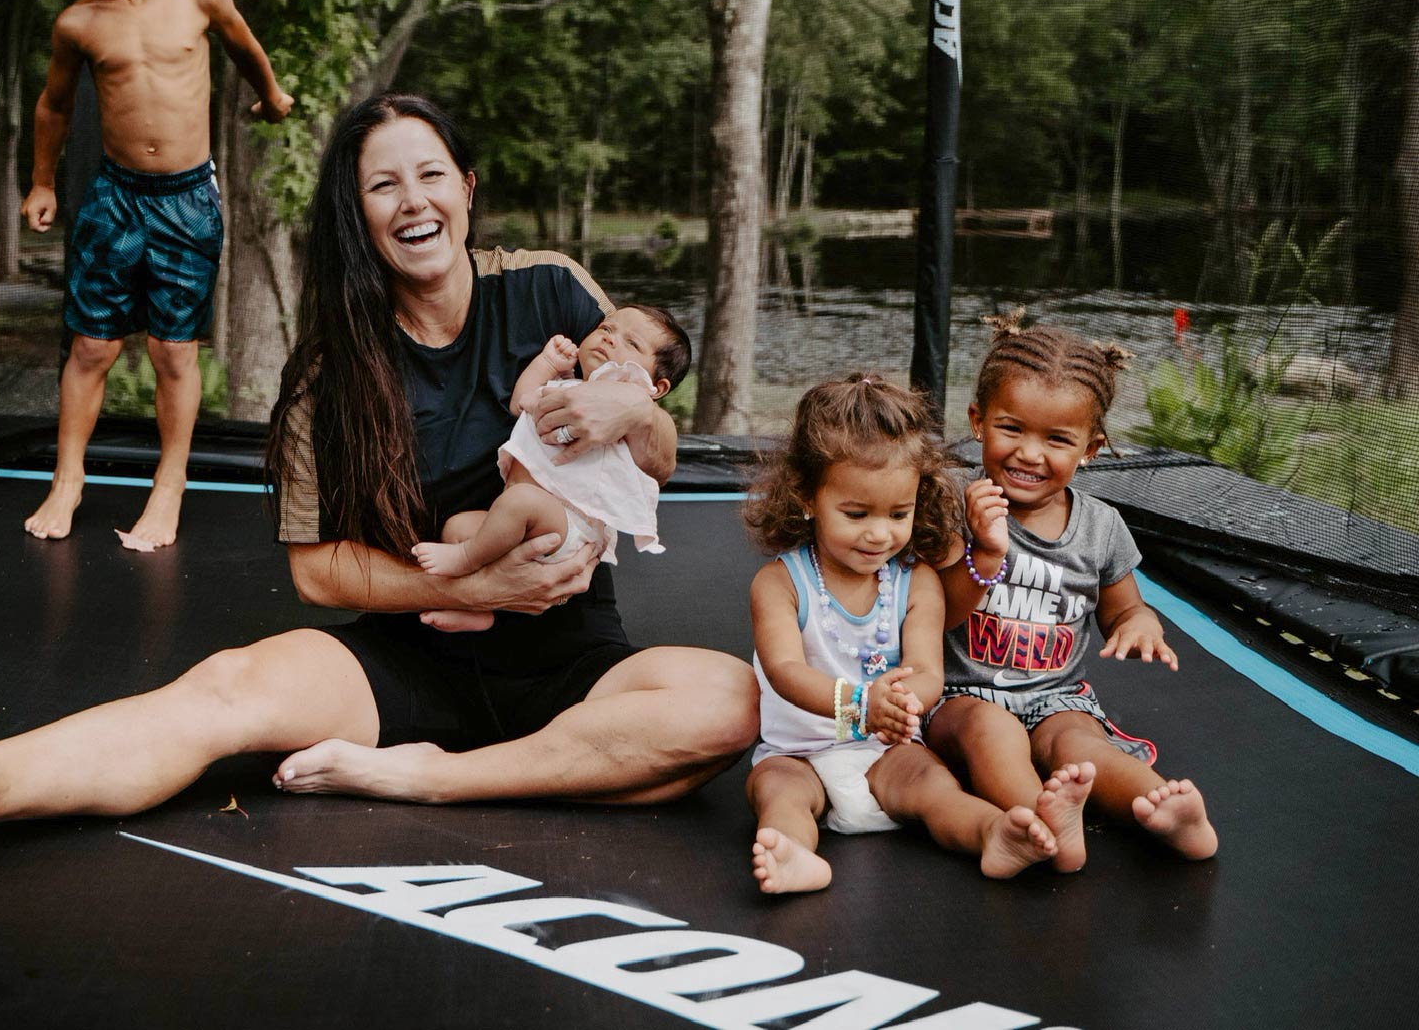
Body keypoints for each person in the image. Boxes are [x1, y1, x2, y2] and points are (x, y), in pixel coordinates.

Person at [0, 93, 756, 865]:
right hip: (409, 659)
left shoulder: (554, 290)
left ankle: (434, 777)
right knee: (227, 688)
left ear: (467, 189)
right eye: (383, 185)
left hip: (575, 660)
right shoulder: (329, 372)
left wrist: (638, 413)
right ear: (358, 216)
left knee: (728, 703)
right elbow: (318, 575)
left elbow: (653, 451)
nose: (413, 201)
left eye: (431, 174)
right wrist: (475, 583)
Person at [18, 0, 294, 548]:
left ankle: (168, 487)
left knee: (173, 352)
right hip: (115, 200)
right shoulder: (78, 23)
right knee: (92, 348)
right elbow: (53, 106)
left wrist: (271, 94)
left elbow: (245, 46)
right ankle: (68, 478)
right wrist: (43, 181)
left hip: (186, 202)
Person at [743, 374, 1061, 895]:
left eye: (899, 514)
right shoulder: (781, 583)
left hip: (884, 748)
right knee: (776, 792)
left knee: (934, 786)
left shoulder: (916, 583)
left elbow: (928, 671)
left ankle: (993, 834)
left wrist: (899, 704)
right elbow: (784, 670)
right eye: (856, 513)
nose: (879, 533)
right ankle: (795, 855)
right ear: (807, 496)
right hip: (797, 752)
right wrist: (861, 703)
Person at [927, 310, 1219, 871]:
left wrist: (1139, 624)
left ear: (1090, 447)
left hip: (1057, 696)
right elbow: (936, 614)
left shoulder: (1101, 526)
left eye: (1057, 439)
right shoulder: (954, 506)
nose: (1030, 454)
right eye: (1012, 428)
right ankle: (1039, 820)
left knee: (1080, 747)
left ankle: (1159, 808)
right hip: (961, 696)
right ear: (978, 421)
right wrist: (984, 552)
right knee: (992, 730)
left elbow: (1125, 606)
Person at [409, 304, 690, 633]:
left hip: (568, 528)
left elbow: (654, 461)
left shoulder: (624, 411)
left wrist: (635, 401)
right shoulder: (564, 387)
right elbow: (522, 402)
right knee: (458, 527)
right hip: (520, 519)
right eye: (606, 329)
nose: (610, 340)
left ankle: (467, 559)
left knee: (520, 502)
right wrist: (546, 364)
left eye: (632, 344)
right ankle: (478, 608)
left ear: (657, 387)